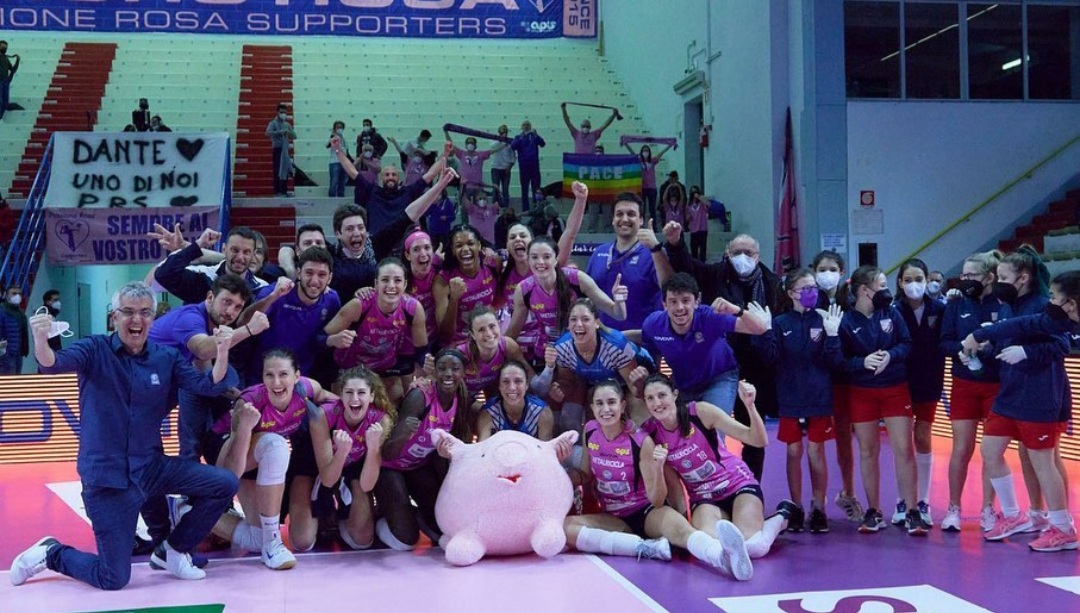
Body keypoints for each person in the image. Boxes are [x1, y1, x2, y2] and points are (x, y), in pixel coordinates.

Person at [9, 282, 240, 589]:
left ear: (153, 317)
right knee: (113, 577)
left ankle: (173, 550)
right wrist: (41, 340)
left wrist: (222, 351)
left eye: (145, 312)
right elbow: (52, 364)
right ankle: (51, 553)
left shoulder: (166, 357)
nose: (136, 319)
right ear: (114, 317)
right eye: (128, 312)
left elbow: (207, 386)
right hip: (107, 478)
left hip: (151, 468)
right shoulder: (94, 349)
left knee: (224, 483)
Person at [565, 380, 749, 569]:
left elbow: (658, 500)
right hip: (613, 517)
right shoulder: (590, 430)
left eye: (611, 402)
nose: (606, 409)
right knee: (566, 527)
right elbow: (585, 475)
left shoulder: (641, 440)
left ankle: (722, 557)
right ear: (592, 408)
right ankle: (643, 548)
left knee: (683, 532)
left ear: (622, 405)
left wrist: (658, 468)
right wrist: (562, 471)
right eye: (599, 403)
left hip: (648, 512)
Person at [962, 247, 1072, 550]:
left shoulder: (1043, 305)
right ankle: (1013, 514)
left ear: (1022, 278)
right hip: (1010, 392)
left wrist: (1027, 352)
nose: (997, 283)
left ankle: (1063, 527)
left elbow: (1062, 345)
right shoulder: (1008, 306)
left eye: (1003, 277)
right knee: (990, 449)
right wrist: (983, 353)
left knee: (1042, 461)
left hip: (1039, 393)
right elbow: (1006, 341)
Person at [659, 230, 780, 480]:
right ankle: (711, 484)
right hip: (719, 367)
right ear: (727, 254)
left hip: (756, 368)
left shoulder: (773, 284)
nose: (742, 257)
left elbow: (773, 327)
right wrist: (676, 243)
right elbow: (687, 267)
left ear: (758, 256)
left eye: (748, 253)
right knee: (711, 431)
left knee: (752, 431)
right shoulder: (715, 274)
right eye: (737, 252)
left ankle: (750, 486)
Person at [641, 376, 787, 581]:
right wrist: (683, 524)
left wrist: (750, 406)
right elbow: (673, 487)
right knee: (710, 542)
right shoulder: (651, 435)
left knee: (754, 546)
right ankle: (734, 537)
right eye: (650, 398)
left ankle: (781, 517)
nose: (657, 403)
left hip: (737, 484)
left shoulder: (700, 412)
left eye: (661, 395)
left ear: (675, 395)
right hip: (704, 498)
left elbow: (758, 439)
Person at [207, 349, 335, 570]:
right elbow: (229, 472)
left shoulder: (306, 389)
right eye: (269, 375)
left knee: (256, 539)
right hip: (228, 451)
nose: (276, 382)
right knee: (276, 445)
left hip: (263, 455)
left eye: (283, 374)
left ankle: (183, 510)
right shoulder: (248, 404)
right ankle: (273, 543)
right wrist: (245, 427)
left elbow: (327, 397)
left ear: (297, 376)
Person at [638, 273, 769, 473]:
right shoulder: (653, 325)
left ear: (697, 301)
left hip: (719, 377)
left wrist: (736, 310)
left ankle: (723, 479)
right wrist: (647, 380)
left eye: (686, 301)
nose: (679, 307)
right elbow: (651, 358)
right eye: (673, 301)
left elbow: (760, 328)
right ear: (664, 304)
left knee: (714, 432)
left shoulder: (710, 316)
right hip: (682, 384)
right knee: (675, 433)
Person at [752, 269, 844, 533]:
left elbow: (834, 361)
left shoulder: (824, 319)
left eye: (813, 287)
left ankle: (818, 506)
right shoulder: (781, 323)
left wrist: (833, 336)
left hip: (819, 397)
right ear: (791, 293)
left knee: (816, 451)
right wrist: (765, 331)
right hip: (790, 397)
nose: (811, 292)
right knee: (793, 452)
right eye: (805, 288)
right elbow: (769, 358)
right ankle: (796, 506)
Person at [835, 265, 925, 535]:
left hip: (895, 388)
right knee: (867, 451)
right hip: (862, 391)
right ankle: (873, 511)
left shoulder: (892, 313)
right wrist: (862, 362)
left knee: (903, 449)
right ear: (865, 290)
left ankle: (912, 511)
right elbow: (840, 361)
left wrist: (890, 356)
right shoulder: (845, 321)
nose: (887, 290)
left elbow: (907, 344)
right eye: (882, 286)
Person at [148, 273, 263, 461]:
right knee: (143, 448)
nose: (230, 312)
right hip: (137, 385)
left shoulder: (206, 324)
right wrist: (249, 329)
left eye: (238, 307)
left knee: (151, 450)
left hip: (155, 386)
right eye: (226, 302)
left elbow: (203, 367)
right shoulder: (190, 317)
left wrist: (234, 393)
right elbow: (202, 350)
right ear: (210, 297)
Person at [375, 348, 472, 550]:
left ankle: (415, 515)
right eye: (442, 368)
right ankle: (378, 518)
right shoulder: (419, 397)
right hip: (390, 467)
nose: (448, 374)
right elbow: (387, 453)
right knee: (405, 541)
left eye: (455, 368)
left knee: (444, 529)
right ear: (434, 371)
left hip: (418, 466)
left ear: (464, 372)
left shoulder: (461, 398)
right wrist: (403, 435)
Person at [939, 250, 1005, 532]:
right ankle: (953, 507)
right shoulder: (956, 304)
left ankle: (988, 508)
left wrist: (987, 349)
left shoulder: (1002, 303)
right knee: (961, 448)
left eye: (972, 275)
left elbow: (1007, 339)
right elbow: (945, 342)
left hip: (995, 385)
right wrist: (963, 350)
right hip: (963, 383)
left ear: (989, 277)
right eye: (963, 274)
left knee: (991, 451)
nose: (965, 279)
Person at [326, 166, 458, 302]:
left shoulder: (376, 245)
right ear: (338, 233)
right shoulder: (329, 255)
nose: (357, 233)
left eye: (360, 227)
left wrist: (441, 184)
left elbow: (410, 215)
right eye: (350, 229)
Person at [301, 367, 393, 551]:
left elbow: (367, 485)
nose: (355, 399)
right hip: (313, 465)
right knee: (302, 541)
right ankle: (323, 517)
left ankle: (342, 517)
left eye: (361, 393)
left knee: (362, 541)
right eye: (349, 392)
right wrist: (342, 452)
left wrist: (373, 448)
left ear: (371, 396)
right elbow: (327, 479)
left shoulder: (381, 421)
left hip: (352, 468)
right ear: (341, 395)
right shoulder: (323, 415)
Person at [507, 235, 628, 367]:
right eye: (534, 257)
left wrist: (619, 300)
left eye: (546, 257)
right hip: (546, 353)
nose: (540, 262)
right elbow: (513, 332)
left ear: (556, 259)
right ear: (528, 260)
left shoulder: (578, 279)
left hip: (580, 352)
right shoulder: (524, 289)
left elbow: (618, 314)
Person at [324, 257, 426, 404]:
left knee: (400, 400)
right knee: (352, 407)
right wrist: (332, 340)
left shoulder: (413, 308)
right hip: (350, 369)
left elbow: (421, 351)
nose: (391, 286)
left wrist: (424, 369)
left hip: (385, 369)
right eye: (385, 280)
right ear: (376, 284)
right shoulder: (358, 305)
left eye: (397, 280)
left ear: (405, 284)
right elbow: (321, 338)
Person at [810, 249, 862, 522]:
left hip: (843, 379)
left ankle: (848, 494)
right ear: (814, 272)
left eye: (833, 270)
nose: (827, 274)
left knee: (844, 438)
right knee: (814, 443)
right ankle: (817, 502)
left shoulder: (851, 300)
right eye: (822, 270)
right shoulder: (807, 298)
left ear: (842, 273)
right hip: (815, 380)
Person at [242, 246, 341, 386]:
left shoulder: (332, 300)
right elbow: (243, 323)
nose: (314, 280)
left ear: (329, 278)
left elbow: (324, 340)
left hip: (300, 382)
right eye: (309, 273)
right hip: (260, 379)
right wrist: (273, 296)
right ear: (299, 273)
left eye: (322, 275)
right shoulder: (277, 291)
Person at [547, 298, 654, 426]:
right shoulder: (562, 348)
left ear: (597, 323)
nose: (579, 324)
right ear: (568, 325)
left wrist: (641, 383)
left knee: (637, 416)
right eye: (573, 319)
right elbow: (567, 381)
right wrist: (560, 390)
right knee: (594, 418)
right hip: (600, 383)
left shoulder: (616, 346)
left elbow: (636, 390)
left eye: (585, 319)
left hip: (636, 377)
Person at [894, 258, 945, 527]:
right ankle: (903, 500)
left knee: (923, 436)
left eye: (919, 279)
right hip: (899, 382)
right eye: (908, 280)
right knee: (902, 444)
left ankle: (923, 500)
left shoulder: (940, 309)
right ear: (900, 283)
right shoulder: (893, 311)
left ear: (927, 280)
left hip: (929, 381)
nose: (914, 284)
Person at [585, 193, 672, 332]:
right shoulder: (598, 253)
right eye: (619, 214)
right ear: (613, 219)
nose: (624, 219)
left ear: (641, 220)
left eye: (631, 214)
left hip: (640, 340)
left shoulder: (654, 253)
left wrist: (655, 248)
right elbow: (587, 296)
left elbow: (669, 288)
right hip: (602, 339)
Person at [331, 135, 448, 236]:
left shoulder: (407, 192)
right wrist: (337, 149)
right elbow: (352, 172)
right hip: (377, 242)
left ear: (399, 178)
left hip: (401, 244)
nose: (390, 177)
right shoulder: (372, 191)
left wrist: (446, 154)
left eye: (393, 174)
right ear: (382, 178)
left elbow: (430, 175)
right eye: (387, 175)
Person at [153, 226, 268, 305]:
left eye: (246, 252)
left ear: (253, 254)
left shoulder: (262, 288)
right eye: (234, 250)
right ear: (224, 249)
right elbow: (164, 274)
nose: (240, 257)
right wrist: (198, 244)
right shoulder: (203, 276)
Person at [434, 225, 503, 346]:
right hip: (461, 343)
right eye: (459, 245)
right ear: (453, 250)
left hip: (490, 336)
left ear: (479, 245)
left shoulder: (493, 263)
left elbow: (500, 298)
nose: (465, 249)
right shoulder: (443, 280)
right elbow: (445, 333)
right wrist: (454, 299)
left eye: (470, 243)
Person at [456, 305, 529, 404]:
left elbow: (527, 374)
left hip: (489, 397)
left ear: (499, 325)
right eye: (481, 330)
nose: (489, 333)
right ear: (472, 335)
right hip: (460, 399)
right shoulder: (461, 354)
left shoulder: (509, 346)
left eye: (492, 326)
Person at [476, 361, 554, 441]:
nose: (512, 387)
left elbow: (545, 448)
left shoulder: (542, 412)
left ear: (526, 385)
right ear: (499, 385)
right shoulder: (488, 413)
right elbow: (482, 447)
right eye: (506, 381)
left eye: (518, 381)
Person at [623, 144, 673, 229]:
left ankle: (654, 227)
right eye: (644, 150)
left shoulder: (652, 161)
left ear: (649, 152)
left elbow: (661, 154)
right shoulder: (639, 160)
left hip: (652, 188)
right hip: (642, 188)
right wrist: (626, 144)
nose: (645, 152)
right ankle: (640, 226)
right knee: (642, 208)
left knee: (652, 209)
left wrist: (669, 145)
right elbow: (632, 153)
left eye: (646, 150)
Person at [510, 120, 546, 211]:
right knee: (524, 188)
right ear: (521, 127)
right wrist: (520, 138)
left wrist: (537, 136)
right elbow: (513, 146)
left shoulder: (534, 136)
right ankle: (525, 209)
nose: (526, 126)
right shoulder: (518, 137)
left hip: (534, 166)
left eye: (527, 125)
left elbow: (543, 144)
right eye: (524, 125)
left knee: (536, 188)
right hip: (524, 166)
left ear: (530, 126)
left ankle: (536, 208)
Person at [265, 103, 295, 196]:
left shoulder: (287, 124)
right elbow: (268, 133)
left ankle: (284, 191)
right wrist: (279, 132)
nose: (283, 114)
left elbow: (295, 136)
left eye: (285, 112)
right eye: (282, 112)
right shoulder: (273, 123)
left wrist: (289, 132)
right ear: (277, 112)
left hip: (285, 149)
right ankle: (277, 191)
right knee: (278, 169)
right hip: (278, 148)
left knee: (285, 170)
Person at [0, 285, 28, 375]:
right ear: (6, 295)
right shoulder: (2, 311)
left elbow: (23, 333)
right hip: (5, 355)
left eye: (19, 294)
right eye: (14, 293)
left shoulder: (20, 314)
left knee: (17, 379)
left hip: (18, 353)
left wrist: (25, 349)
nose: (17, 296)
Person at [490, 124, 516, 208]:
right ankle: (495, 208)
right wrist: (501, 140)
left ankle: (506, 207)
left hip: (506, 169)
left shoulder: (510, 142)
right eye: (502, 130)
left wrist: (509, 167)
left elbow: (513, 157)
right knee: (495, 189)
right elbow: (492, 147)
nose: (504, 131)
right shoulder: (494, 140)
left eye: (505, 130)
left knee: (505, 189)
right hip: (495, 168)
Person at [685, 189, 710, 261]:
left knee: (703, 250)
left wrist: (699, 197)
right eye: (693, 192)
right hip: (693, 230)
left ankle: (702, 264)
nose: (694, 194)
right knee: (694, 251)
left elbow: (709, 204)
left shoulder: (702, 204)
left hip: (702, 229)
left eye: (695, 192)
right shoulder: (689, 205)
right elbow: (687, 218)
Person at [327, 120, 348, 198]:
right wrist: (332, 136)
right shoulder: (332, 137)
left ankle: (341, 198)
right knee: (334, 182)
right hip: (335, 162)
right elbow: (327, 145)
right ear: (334, 128)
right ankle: (331, 199)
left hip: (344, 162)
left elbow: (346, 151)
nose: (340, 129)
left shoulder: (344, 139)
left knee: (342, 182)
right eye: (338, 127)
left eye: (341, 127)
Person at [0, 40, 20, 123]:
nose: (4, 48)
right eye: (2, 46)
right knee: (0, 101)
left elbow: (12, 70)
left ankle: (0, 118)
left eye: (5, 47)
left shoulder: (6, 58)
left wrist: (17, 61)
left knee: (5, 102)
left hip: (5, 82)